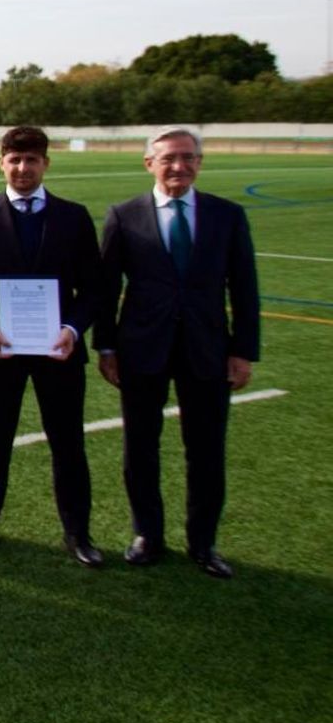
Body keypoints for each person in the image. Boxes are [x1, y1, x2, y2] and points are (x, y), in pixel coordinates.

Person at [96, 126, 259, 579]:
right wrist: (106, 346)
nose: (178, 166)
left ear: (199, 163)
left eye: (188, 158)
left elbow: (245, 289)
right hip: (141, 350)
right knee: (141, 447)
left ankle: (203, 542)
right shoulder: (124, 215)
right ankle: (147, 534)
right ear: (149, 163)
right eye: (168, 159)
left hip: (208, 351)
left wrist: (243, 351)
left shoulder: (227, 216)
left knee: (206, 450)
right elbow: (107, 289)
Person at [0, 125, 105, 567]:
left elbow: (94, 288)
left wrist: (73, 330)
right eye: (14, 160)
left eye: (31, 160)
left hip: (58, 350)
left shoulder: (73, 217)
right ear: (1, 162)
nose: (22, 168)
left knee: (68, 442)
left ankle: (77, 532)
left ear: (45, 164)